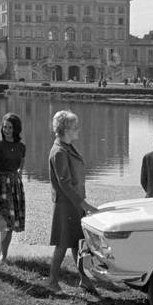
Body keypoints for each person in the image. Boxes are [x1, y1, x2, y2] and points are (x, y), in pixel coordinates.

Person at [47, 110, 99, 293]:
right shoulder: (59, 151)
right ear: (66, 129)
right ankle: (52, 281)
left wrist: (81, 204)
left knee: (78, 242)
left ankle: (84, 279)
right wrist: (85, 205)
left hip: (73, 204)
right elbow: (65, 184)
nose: (78, 129)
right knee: (63, 243)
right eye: (75, 126)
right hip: (66, 205)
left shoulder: (67, 147)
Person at [0, 113, 27, 264]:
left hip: (15, 187)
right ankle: (2, 255)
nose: (7, 130)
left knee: (10, 223)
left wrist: (19, 175)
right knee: (4, 221)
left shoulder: (21, 147)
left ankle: (3, 255)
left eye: (10, 127)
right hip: (1, 185)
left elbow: (21, 164)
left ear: (16, 129)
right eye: (5, 127)